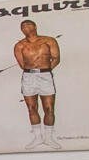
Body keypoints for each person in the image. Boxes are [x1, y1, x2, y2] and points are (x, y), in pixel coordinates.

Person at [10, 19, 61, 149]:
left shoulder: (49, 40)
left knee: (49, 108)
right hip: (28, 77)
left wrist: (45, 70)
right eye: (22, 26)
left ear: (35, 26)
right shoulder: (19, 45)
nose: (25, 27)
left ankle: (48, 138)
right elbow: (22, 64)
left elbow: (56, 59)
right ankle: (38, 138)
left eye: (28, 24)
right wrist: (33, 70)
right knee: (32, 108)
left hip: (45, 76)